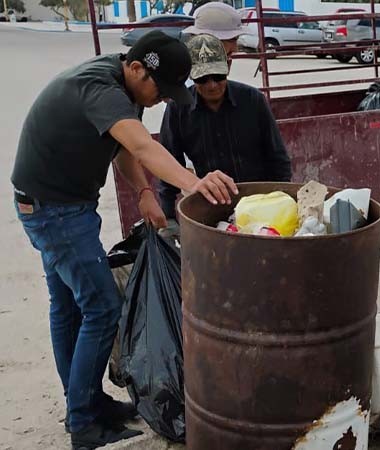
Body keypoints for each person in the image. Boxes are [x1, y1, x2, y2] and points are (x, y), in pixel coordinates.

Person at [11, 31, 238, 450]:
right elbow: (140, 145)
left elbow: (121, 148)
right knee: (102, 307)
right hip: (53, 211)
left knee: (68, 307)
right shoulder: (100, 88)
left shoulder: (123, 85)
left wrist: (145, 192)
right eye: (162, 90)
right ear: (135, 68)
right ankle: (83, 422)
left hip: (62, 205)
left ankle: (86, 402)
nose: (164, 101)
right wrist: (193, 183)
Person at [157, 34, 291, 222]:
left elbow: (278, 160)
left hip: (260, 204)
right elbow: (169, 164)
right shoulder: (178, 109)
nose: (212, 85)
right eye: (203, 78)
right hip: (212, 206)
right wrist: (168, 218)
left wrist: (281, 202)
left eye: (218, 77)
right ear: (191, 75)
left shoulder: (253, 100)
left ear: (228, 66)